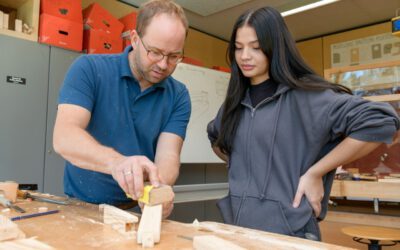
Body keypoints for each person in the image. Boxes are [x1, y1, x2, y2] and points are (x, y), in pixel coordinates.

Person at [207, 6, 400, 240]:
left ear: (275, 47)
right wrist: (241, 161)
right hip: (238, 231)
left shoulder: (306, 97)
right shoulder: (234, 104)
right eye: (238, 48)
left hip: (291, 235)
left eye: (256, 47)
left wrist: (316, 172)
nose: (245, 56)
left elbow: (381, 121)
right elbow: (215, 135)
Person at [53, 0, 191, 218]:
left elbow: (168, 155)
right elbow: (64, 137)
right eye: (155, 52)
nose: (164, 65)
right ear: (135, 39)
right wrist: (118, 164)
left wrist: (158, 186)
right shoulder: (89, 69)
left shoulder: (179, 95)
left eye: (174, 56)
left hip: (136, 210)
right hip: (80, 206)